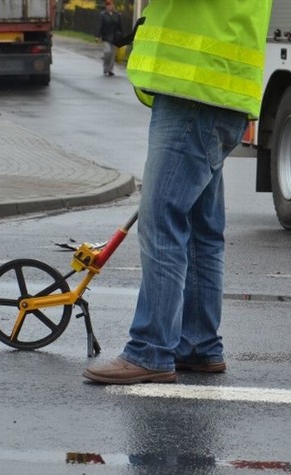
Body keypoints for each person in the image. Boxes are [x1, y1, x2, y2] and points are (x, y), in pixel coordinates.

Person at [83, 1, 273, 384]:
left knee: (162, 220)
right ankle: (198, 345)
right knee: (201, 230)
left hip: (194, 91)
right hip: (218, 90)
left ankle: (150, 350)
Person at [95, 0, 123, 76]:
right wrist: (97, 36)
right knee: (108, 51)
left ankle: (110, 70)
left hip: (115, 37)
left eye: (112, 5)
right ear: (106, 6)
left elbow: (120, 27)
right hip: (106, 36)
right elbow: (100, 26)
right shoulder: (103, 15)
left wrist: (121, 36)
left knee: (113, 54)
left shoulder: (117, 15)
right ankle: (105, 66)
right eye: (109, 5)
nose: (111, 7)